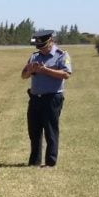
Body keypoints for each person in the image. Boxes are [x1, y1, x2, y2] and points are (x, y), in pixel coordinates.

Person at [21, 30, 72, 168]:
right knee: (34, 130)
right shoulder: (34, 56)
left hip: (52, 98)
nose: (41, 49)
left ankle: (50, 162)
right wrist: (30, 70)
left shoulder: (61, 55)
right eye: (39, 47)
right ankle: (34, 161)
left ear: (51, 41)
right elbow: (23, 76)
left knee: (50, 130)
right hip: (35, 98)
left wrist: (45, 70)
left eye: (43, 46)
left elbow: (66, 74)